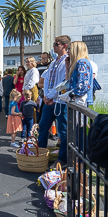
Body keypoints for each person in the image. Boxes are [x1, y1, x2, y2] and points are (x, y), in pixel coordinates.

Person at [38, 35, 71, 169]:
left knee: (63, 131)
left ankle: (62, 159)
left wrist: (51, 96)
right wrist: (46, 96)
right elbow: (45, 79)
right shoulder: (53, 62)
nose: (53, 46)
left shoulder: (66, 61)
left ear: (64, 46)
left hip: (60, 102)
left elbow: (64, 83)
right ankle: (41, 153)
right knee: (43, 127)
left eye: (56, 44)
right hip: (49, 101)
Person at [65, 41, 93, 107]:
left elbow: (83, 84)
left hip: (80, 100)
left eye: (69, 49)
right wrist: (67, 69)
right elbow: (67, 82)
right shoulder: (79, 62)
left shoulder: (81, 62)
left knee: (79, 117)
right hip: (78, 99)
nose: (67, 52)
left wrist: (74, 96)